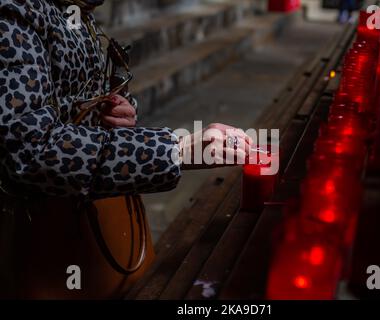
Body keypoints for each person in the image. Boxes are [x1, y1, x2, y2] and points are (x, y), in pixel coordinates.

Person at [0, 0, 252, 200]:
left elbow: (71, 98)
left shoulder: (76, 8)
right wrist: (175, 150)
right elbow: (28, 152)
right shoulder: (13, 13)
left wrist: (118, 112)